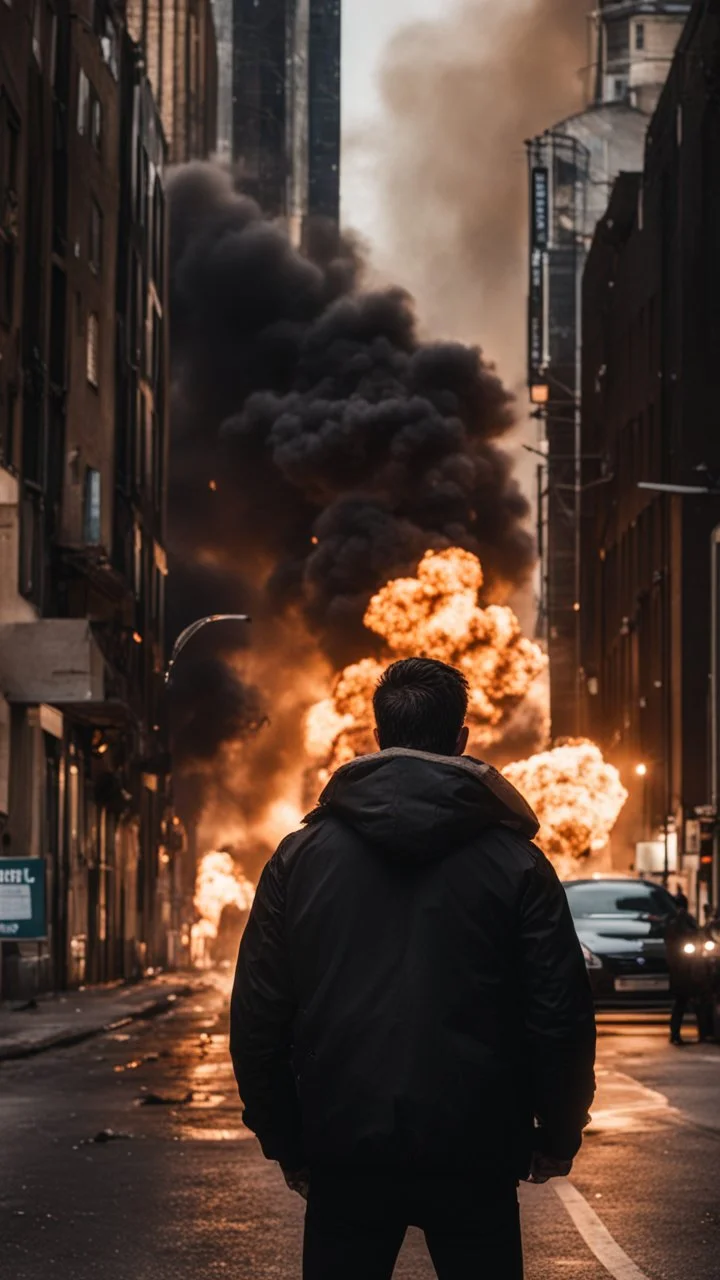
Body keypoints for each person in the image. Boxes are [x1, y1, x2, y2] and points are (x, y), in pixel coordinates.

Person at [231, 658, 596, 1280]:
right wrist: (557, 1134)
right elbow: (558, 1014)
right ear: (461, 740)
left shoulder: (299, 860)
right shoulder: (518, 864)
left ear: (379, 738)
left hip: (345, 1152)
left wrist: (287, 1143)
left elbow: (259, 1015)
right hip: (475, 1153)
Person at [666, 893, 702, 1045]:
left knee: (693, 1002)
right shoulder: (676, 921)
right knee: (682, 1002)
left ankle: (702, 1032)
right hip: (682, 967)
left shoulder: (685, 920)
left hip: (689, 966)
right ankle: (675, 1033)